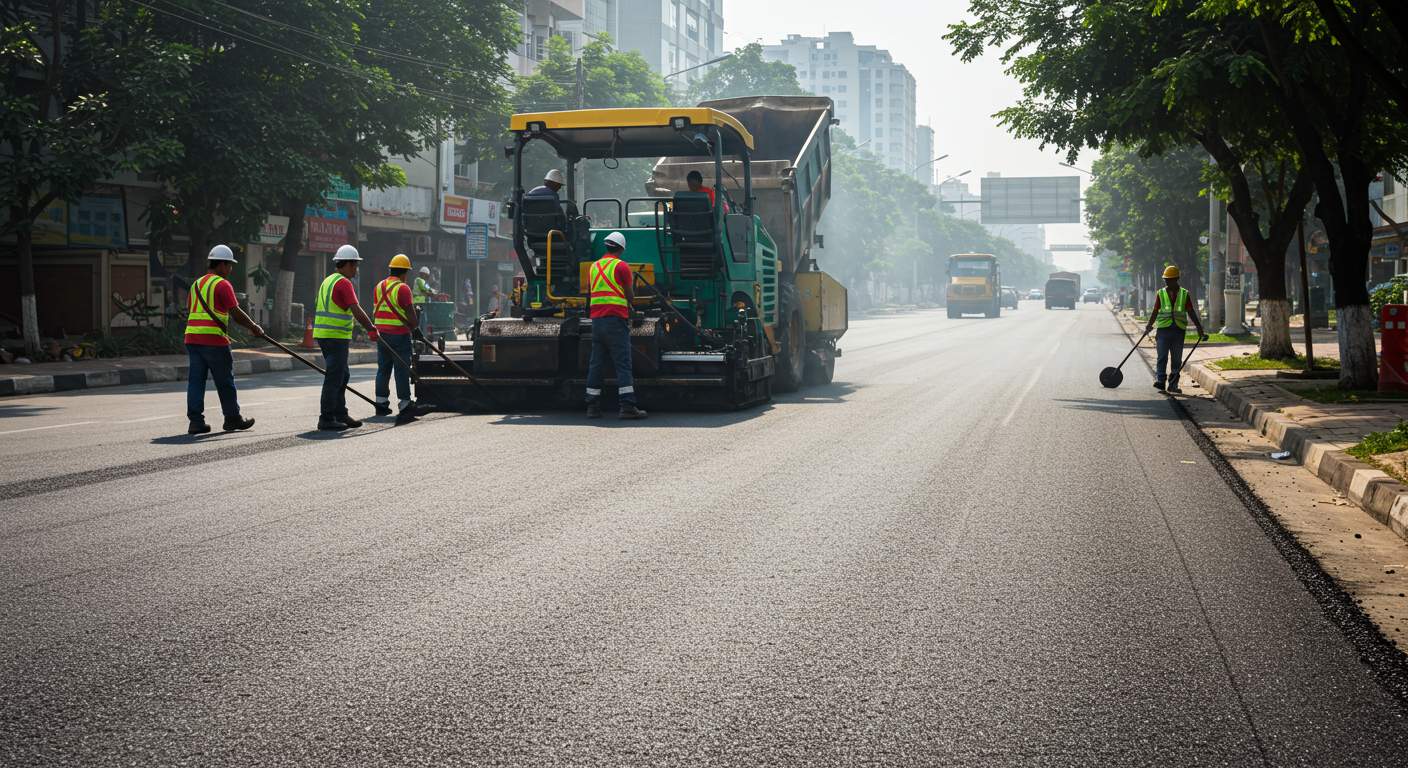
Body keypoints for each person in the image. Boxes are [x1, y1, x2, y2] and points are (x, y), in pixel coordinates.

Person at [184, 244, 262, 435]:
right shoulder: (222, 284)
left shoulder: (196, 284)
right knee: (225, 381)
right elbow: (235, 313)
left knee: (196, 381)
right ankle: (232, 418)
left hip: (192, 340)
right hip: (214, 341)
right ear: (221, 264)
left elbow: (191, 309)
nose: (230, 270)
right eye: (229, 265)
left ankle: (195, 422)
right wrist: (253, 327)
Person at [313, 244, 377, 431]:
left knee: (343, 375)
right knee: (334, 377)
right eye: (354, 265)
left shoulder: (328, 280)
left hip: (325, 336)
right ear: (346, 264)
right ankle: (326, 418)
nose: (356, 269)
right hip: (335, 337)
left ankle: (340, 413)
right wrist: (371, 328)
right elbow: (355, 309)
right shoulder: (343, 282)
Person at [585, 231, 646, 420]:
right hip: (616, 321)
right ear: (621, 248)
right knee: (623, 364)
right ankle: (627, 407)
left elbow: (589, 294)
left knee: (596, 364)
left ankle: (592, 407)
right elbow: (630, 297)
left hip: (597, 321)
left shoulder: (594, 267)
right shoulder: (621, 267)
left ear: (607, 246)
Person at [1144, 265, 1207, 394]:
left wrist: (1199, 328)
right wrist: (1149, 325)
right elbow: (1155, 311)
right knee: (1162, 357)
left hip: (1178, 330)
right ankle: (1161, 381)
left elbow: (1191, 311)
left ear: (1176, 279)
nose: (1167, 281)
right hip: (1162, 330)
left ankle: (1173, 384)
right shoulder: (1160, 293)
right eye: (1166, 279)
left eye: (1170, 279)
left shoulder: (1184, 293)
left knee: (1176, 359)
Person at [372, 254, 421, 418]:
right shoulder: (403, 288)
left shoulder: (379, 286)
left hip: (382, 335)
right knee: (401, 370)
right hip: (399, 335)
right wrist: (415, 328)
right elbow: (411, 316)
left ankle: (380, 403)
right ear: (405, 272)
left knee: (383, 369)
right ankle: (405, 404)